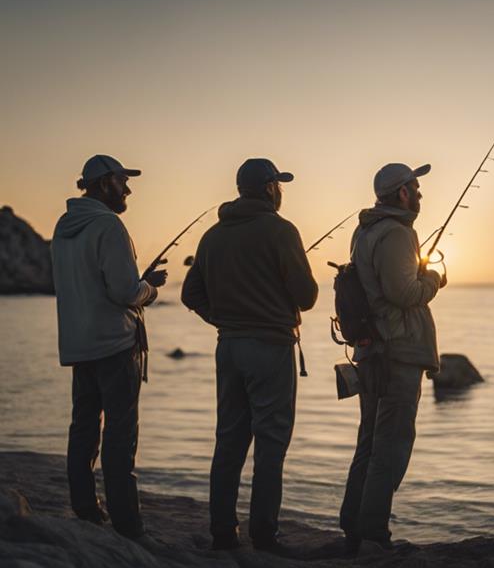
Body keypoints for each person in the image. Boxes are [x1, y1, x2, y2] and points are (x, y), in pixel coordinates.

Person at [181, 158, 318, 552]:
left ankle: (222, 533)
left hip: (229, 347)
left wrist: (225, 319)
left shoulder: (212, 235)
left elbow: (191, 294)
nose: (282, 191)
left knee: (229, 442)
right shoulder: (281, 231)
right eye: (279, 184)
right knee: (271, 444)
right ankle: (264, 535)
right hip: (271, 349)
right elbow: (306, 298)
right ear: (270, 188)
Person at [51, 154, 167, 541]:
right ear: (104, 184)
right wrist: (149, 288)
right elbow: (124, 292)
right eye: (122, 181)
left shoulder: (64, 227)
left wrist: (137, 281)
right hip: (116, 346)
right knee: (120, 434)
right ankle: (127, 524)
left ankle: (86, 510)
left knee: (82, 428)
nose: (128, 188)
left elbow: (90, 283)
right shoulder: (109, 225)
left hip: (79, 344)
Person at [338, 162, 446, 555]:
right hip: (396, 353)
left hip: (373, 351)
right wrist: (433, 279)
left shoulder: (364, 230)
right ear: (402, 193)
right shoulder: (397, 233)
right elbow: (404, 293)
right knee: (392, 444)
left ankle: (354, 527)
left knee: (369, 441)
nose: (419, 194)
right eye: (415, 188)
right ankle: (372, 534)